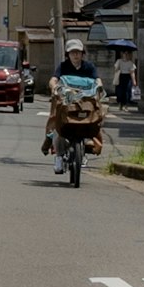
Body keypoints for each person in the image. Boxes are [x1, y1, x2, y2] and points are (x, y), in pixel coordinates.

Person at [46, 40, 106, 186]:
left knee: (96, 120)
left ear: (82, 53)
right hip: (66, 103)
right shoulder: (63, 67)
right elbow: (54, 80)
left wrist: (98, 87)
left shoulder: (89, 67)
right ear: (68, 54)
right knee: (57, 125)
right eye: (72, 52)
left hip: (85, 104)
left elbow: (97, 80)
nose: (75, 55)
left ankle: (87, 148)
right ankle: (59, 157)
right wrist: (55, 88)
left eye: (78, 52)